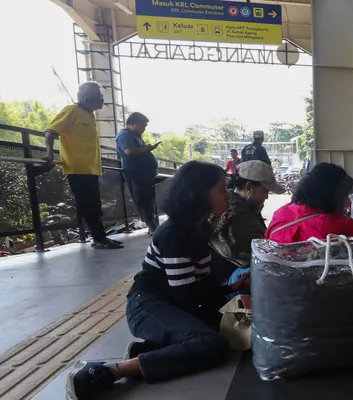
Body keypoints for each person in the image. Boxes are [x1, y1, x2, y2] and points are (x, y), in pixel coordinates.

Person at [67, 161, 248, 399]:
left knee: (232, 330)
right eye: (221, 189)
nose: (228, 194)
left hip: (174, 302)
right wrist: (226, 300)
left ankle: (147, 351)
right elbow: (189, 297)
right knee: (212, 344)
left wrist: (230, 290)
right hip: (146, 306)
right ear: (199, 195)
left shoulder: (199, 227)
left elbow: (198, 288)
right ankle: (106, 372)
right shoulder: (175, 234)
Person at [44, 81, 122, 249]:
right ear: (90, 98)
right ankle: (99, 239)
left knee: (93, 204)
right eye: (100, 97)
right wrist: (49, 154)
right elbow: (50, 132)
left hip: (90, 169)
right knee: (90, 206)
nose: (103, 101)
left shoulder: (88, 114)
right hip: (78, 168)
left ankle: (99, 238)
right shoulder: (72, 111)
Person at [210, 160, 285, 294]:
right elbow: (249, 258)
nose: (267, 197)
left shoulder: (246, 207)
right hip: (229, 282)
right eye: (265, 191)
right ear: (249, 187)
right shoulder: (235, 212)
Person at [266, 162, 353, 243]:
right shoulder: (341, 226)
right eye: (344, 196)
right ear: (332, 196)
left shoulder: (281, 214)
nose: (348, 204)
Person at [116, 112, 160, 235]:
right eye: (143, 126)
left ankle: (153, 224)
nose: (144, 129)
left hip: (145, 173)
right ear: (133, 124)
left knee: (148, 199)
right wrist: (147, 149)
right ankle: (151, 226)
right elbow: (129, 151)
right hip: (135, 173)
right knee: (142, 199)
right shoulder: (124, 135)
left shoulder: (135, 135)